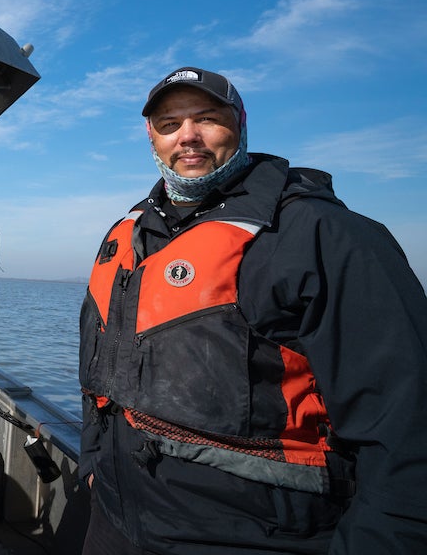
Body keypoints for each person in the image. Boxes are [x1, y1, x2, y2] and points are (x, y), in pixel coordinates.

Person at [79, 66, 427, 554]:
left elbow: (405, 433)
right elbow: (99, 382)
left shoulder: (325, 236)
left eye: (207, 118)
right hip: (115, 522)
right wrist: (92, 468)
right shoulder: (128, 236)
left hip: (252, 538)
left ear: (239, 124)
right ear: (151, 136)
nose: (188, 137)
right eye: (169, 124)